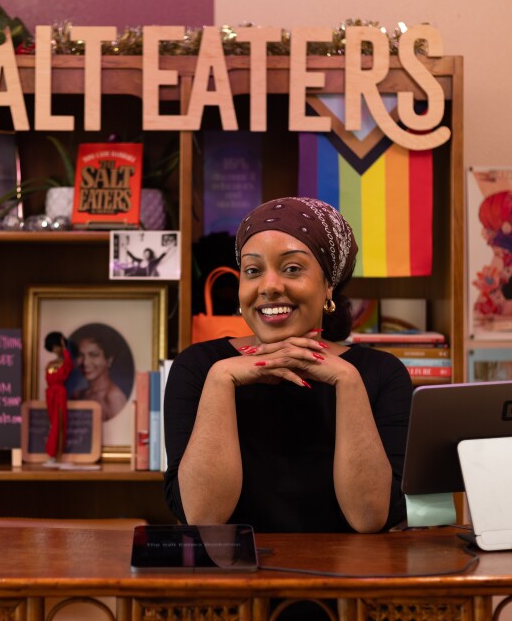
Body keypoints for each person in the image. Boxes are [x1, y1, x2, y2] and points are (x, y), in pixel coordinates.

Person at [163, 197, 412, 534]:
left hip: (346, 569)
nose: (269, 287)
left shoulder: (382, 374)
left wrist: (348, 381)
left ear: (328, 285)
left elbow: (369, 518)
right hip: (234, 568)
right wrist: (221, 378)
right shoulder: (198, 367)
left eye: (292, 269)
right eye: (253, 271)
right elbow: (203, 517)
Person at [70, 325, 130, 422]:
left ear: (109, 360)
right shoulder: (78, 394)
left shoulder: (113, 397)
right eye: (80, 355)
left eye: (93, 355)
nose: (85, 362)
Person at [44, 331, 72, 459]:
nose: (56, 349)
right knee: (52, 423)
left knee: (59, 422)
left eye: (58, 346)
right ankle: (52, 453)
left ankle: (55, 453)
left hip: (60, 394)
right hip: (50, 394)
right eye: (54, 347)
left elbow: (68, 365)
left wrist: (65, 348)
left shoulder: (65, 363)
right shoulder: (50, 364)